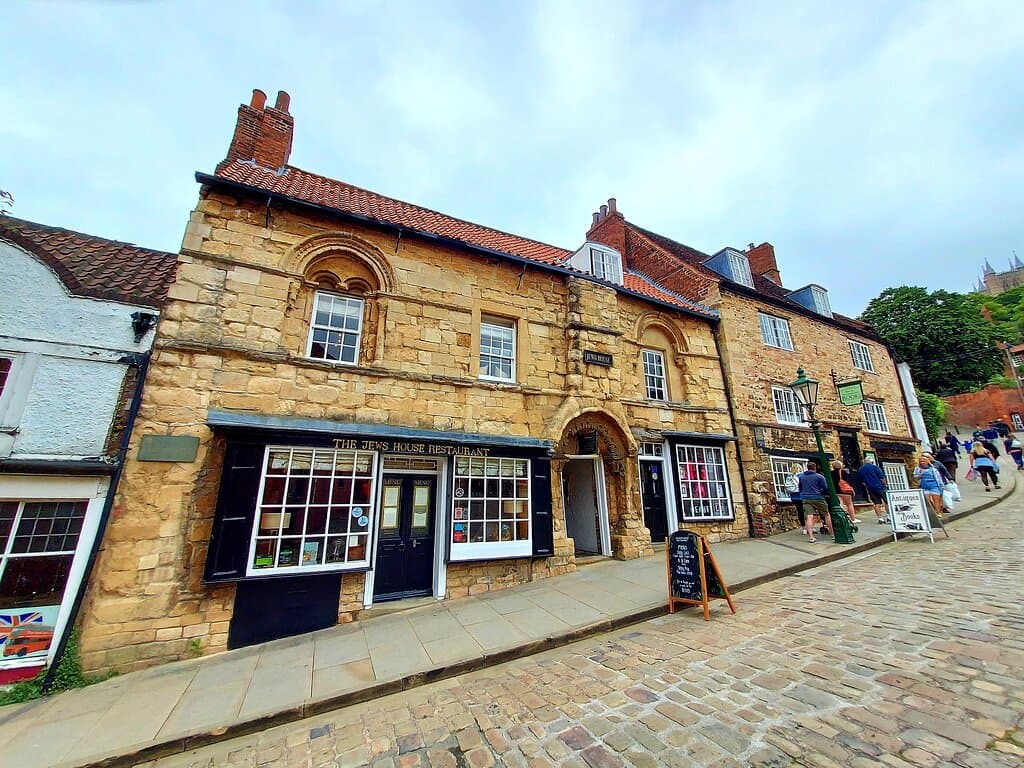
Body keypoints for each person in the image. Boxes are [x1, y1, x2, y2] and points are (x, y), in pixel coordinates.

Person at [797, 460, 833, 542]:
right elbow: (825, 488)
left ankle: (811, 537)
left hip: (806, 498)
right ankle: (832, 534)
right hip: (817, 497)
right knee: (826, 514)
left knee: (809, 517)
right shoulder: (819, 477)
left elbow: (800, 488)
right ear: (815, 468)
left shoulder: (802, 477)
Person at [856, 455, 889, 523]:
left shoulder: (861, 469)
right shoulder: (875, 467)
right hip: (880, 486)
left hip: (870, 488)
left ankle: (880, 518)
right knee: (887, 502)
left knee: (876, 503)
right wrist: (886, 484)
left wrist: (867, 485)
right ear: (872, 461)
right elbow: (881, 477)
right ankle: (889, 516)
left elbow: (861, 481)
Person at [830, 459, 861, 524]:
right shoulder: (843, 472)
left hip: (836, 491)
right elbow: (848, 481)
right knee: (849, 504)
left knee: (840, 505)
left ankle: (842, 519)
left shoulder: (831, 473)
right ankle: (853, 519)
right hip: (845, 491)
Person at [784, 463, 805, 530]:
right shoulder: (802, 475)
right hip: (802, 496)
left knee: (800, 511)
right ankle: (809, 527)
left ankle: (803, 527)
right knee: (807, 512)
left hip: (794, 497)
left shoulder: (789, 476)